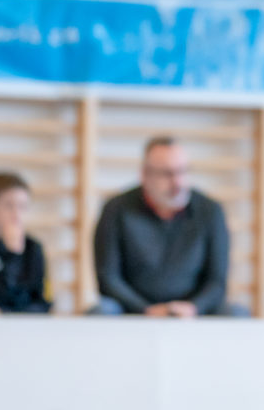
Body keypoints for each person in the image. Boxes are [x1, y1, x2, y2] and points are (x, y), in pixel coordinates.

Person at [92, 136, 246, 317]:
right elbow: (108, 279)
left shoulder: (210, 211)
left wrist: (193, 307)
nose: (177, 182)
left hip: (193, 311)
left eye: (183, 172)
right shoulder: (116, 210)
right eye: (167, 174)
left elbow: (217, 281)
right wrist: (145, 309)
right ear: (145, 175)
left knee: (236, 313)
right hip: (133, 311)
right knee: (101, 311)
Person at [0, 171, 53, 315]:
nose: (16, 214)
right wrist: (12, 256)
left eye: (22, 206)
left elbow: (43, 304)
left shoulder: (34, 248)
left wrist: (3, 312)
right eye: (9, 206)